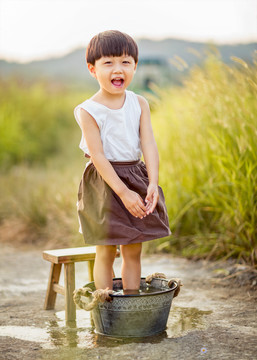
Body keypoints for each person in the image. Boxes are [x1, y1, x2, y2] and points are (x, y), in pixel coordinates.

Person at [74, 30, 171, 295]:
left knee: (133, 248)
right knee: (105, 250)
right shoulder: (88, 110)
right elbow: (98, 156)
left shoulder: (139, 103)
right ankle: (104, 308)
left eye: (126, 62)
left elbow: (148, 144)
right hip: (104, 182)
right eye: (108, 63)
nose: (118, 69)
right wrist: (123, 192)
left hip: (135, 174)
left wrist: (152, 182)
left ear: (135, 66)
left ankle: (131, 304)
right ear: (92, 69)